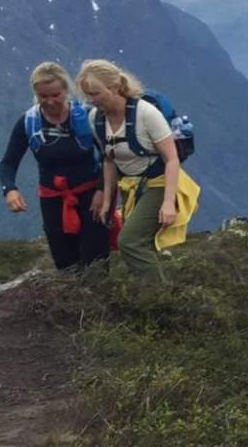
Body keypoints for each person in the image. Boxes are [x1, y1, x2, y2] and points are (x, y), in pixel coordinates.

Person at [78, 59, 196, 281]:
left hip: (159, 184)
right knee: (140, 243)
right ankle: (152, 295)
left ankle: (158, 300)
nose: (91, 100)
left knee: (129, 241)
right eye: (87, 95)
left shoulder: (147, 114)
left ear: (114, 87)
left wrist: (169, 203)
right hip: (131, 187)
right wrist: (107, 203)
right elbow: (109, 159)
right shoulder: (96, 119)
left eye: (95, 93)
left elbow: (171, 159)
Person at [0, 62, 110, 271]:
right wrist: (10, 190)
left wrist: (102, 190)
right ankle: (74, 302)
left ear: (66, 91)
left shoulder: (87, 117)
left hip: (91, 197)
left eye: (55, 95)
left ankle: (99, 301)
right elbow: (8, 163)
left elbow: (108, 156)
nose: (49, 101)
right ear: (36, 94)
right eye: (43, 96)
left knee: (96, 260)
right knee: (65, 261)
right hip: (53, 200)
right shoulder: (28, 122)